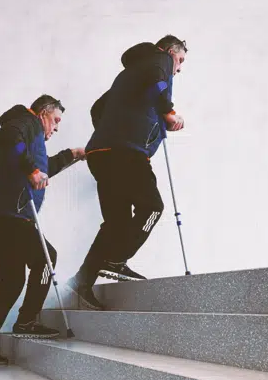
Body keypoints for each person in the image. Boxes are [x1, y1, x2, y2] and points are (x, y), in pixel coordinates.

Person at [68, 35, 188, 307]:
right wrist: (169, 113)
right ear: (170, 52)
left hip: (102, 153)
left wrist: (110, 132)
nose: (178, 69)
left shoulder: (130, 75)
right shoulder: (159, 61)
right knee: (153, 207)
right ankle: (116, 259)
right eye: (179, 61)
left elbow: (97, 108)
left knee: (116, 222)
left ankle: (82, 281)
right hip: (126, 153)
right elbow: (159, 82)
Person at [0, 95, 84, 363]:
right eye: (55, 121)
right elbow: (8, 138)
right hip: (6, 216)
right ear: (43, 113)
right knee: (45, 257)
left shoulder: (32, 140)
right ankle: (27, 320)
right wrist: (31, 171)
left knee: (12, 282)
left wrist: (72, 155)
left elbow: (44, 168)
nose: (56, 128)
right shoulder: (25, 123)